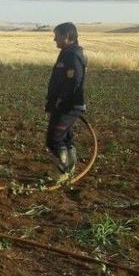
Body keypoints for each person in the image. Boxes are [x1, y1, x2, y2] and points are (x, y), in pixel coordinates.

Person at [45, 22, 87, 174]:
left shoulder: (72, 55)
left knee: (54, 140)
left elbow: (73, 81)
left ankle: (61, 173)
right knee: (65, 138)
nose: (54, 39)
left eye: (57, 36)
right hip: (65, 105)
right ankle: (69, 171)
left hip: (68, 106)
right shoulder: (67, 53)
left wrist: (61, 101)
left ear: (67, 36)